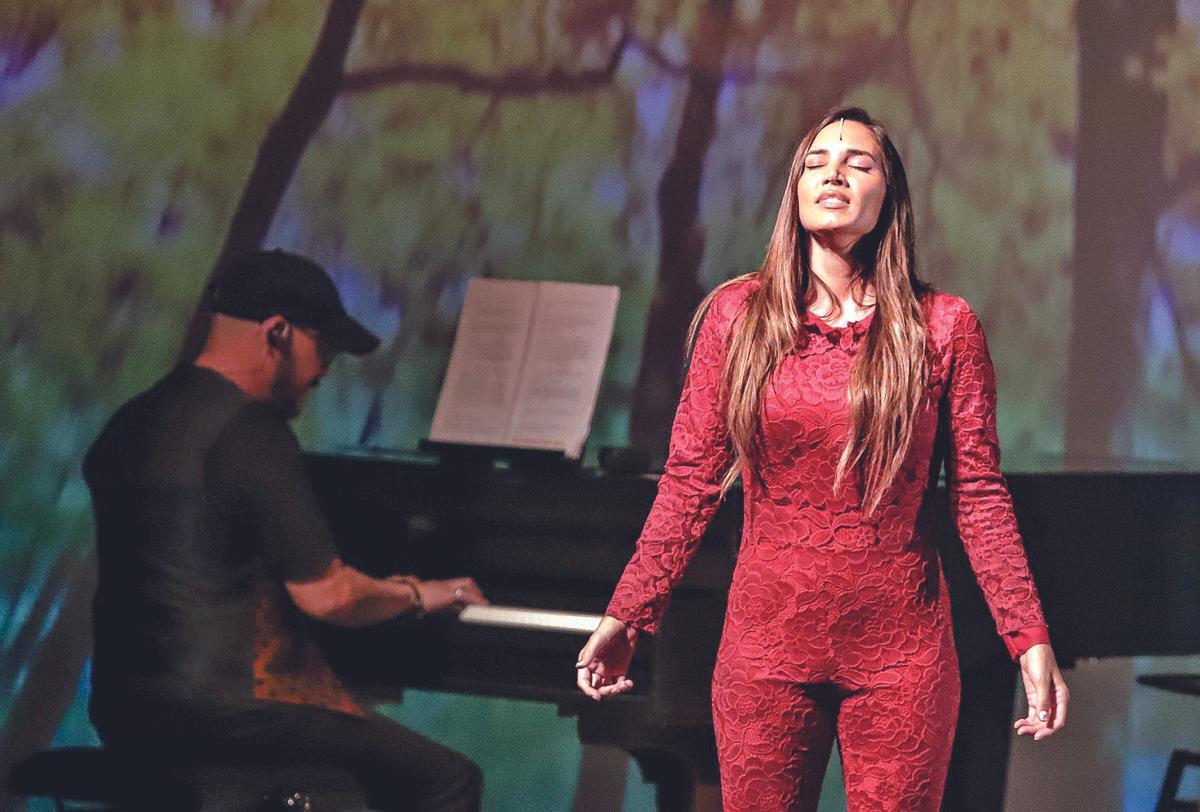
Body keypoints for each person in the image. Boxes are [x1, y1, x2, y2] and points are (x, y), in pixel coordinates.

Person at [575, 108, 1069, 811]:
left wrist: (1028, 638)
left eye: (859, 162)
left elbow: (980, 496)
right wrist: (628, 613)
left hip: (901, 654)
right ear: (795, 190)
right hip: (764, 648)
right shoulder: (736, 318)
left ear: (888, 197)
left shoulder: (944, 327)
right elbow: (690, 481)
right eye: (816, 160)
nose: (833, 170)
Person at [84, 249, 487, 812]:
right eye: (322, 347)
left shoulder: (132, 420)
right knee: (446, 779)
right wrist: (418, 594)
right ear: (277, 333)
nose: (324, 371)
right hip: (228, 716)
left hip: (125, 712)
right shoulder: (252, 433)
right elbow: (330, 597)